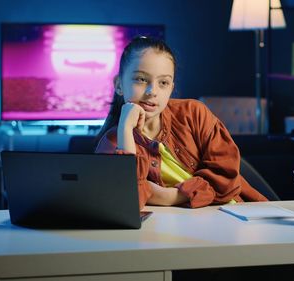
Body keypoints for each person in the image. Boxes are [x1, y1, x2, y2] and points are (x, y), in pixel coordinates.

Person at [95, 36, 268, 209]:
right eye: (141, 79)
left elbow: (226, 178)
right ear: (118, 85)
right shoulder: (113, 142)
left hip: (240, 213)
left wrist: (169, 196)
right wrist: (125, 129)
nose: (152, 91)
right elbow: (124, 202)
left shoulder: (194, 113)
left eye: (163, 82)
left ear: (171, 88)